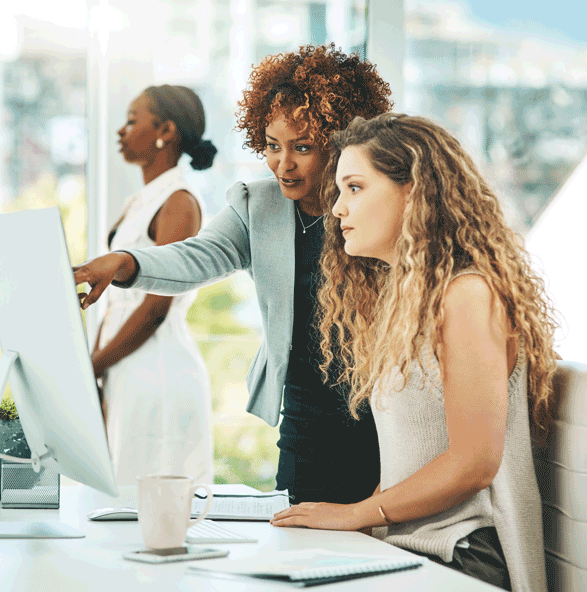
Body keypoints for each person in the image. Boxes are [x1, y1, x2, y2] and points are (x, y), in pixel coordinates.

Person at [74, 44, 393, 503]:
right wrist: (127, 262)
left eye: (302, 148)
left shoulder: (374, 206)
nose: (283, 164)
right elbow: (196, 257)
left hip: (383, 422)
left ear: (342, 143)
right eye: (271, 146)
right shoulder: (257, 206)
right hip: (305, 421)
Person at [270, 113, 557, 592]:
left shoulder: (466, 293)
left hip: (464, 553)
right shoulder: (406, 302)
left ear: (415, 191)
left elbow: (473, 462)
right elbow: (416, 457)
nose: (337, 208)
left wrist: (356, 514)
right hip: (410, 547)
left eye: (355, 188)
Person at [92, 84, 218, 485]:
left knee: (146, 507)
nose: (121, 131)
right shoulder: (143, 199)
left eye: (132, 120)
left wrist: (93, 366)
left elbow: (155, 308)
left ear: (165, 129)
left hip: (156, 371)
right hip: (127, 365)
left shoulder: (179, 200)